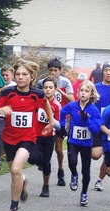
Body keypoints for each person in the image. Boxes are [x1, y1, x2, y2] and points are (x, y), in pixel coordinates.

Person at [0, 59, 54, 211]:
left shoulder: (37, 95)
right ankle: (23, 181)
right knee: (15, 173)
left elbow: (47, 105)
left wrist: (51, 122)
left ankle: (13, 209)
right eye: (17, 74)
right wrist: (0, 110)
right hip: (9, 139)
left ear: (31, 77)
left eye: (24, 74)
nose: (20, 77)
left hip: (27, 139)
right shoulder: (8, 93)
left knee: (15, 169)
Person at [59, 80, 101, 206]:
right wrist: (62, 126)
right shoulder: (72, 106)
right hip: (73, 141)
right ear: (78, 93)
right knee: (72, 161)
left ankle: (84, 193)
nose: (83, 93)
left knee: (86, 170)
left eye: (86, 91)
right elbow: (62, 112)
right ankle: (74, 174)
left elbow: (96, 129)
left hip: (87, 144)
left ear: (91, 94)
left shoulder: (94, 110)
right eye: (81, 90)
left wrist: (87, 119)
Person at [39, 58, 75, 187]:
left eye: (56, 70)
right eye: (51, 70)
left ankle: (60, 170)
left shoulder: (65, 82)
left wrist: (58, 90)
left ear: (60, 70)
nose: (53, 73)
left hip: (61, 118)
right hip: (45, 118)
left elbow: (72, 99)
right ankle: (44, 162)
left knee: (59, 148)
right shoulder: (42, 83)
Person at [92, 61, 110, 192]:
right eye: (106, 70)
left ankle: (99, 180)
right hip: (98, 127)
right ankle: (106, 154)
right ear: (102, 72)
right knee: (95, 155)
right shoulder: (95, 88)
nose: (108, 73)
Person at [35, 77, 61, 198]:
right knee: (33, 157)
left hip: (49, 137)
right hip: (35, 134)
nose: (48, 90)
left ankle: (46, 186)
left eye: (50, 88)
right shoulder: (37, 101)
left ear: (55, 90)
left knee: (46, 163)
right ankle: (39, 160)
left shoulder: (56, 105)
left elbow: (59, 125)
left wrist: (50, 118)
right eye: (45, 87)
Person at [0, 65, 17, 171]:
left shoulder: (15, 86)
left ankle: (15, 160)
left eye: (7, 75)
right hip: (1, 116)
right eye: (2, 75)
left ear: (12, 75)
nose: (5, 77)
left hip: (14, 117)